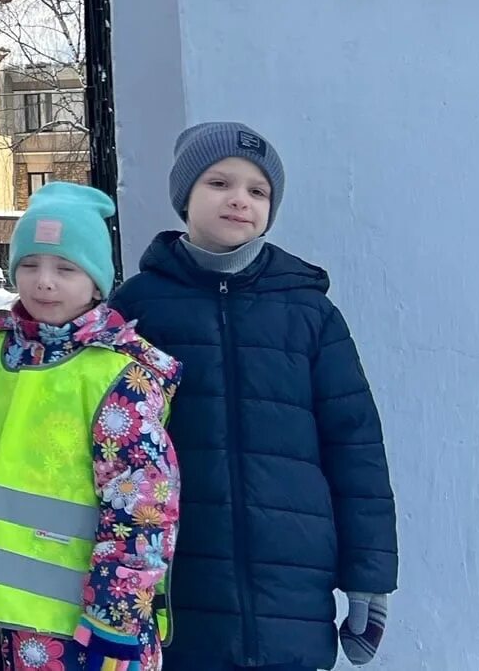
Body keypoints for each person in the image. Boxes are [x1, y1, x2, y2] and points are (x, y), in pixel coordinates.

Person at [110, 124, 397, 671]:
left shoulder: (309, 313)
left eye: (257, 190)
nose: (239, 199)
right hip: (178, 586)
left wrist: (369, 579)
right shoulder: (137, 311)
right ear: (184, 196)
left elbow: (355, 446)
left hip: (290, 593)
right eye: (219, 182)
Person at [0, 182, 180, 671]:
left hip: (84, 631)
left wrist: (115, 619)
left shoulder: (118, 377)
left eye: (65, 268)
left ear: (97, 283)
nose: (44, 282)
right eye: (29, 265)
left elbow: (141, 510)